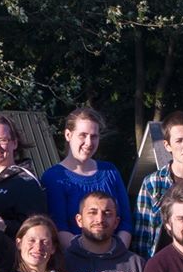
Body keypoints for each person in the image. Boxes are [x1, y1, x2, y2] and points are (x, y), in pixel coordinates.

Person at [40, 106, 132, 249]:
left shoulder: (110, 171)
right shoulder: (54, 177)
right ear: (68, 135)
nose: (89, 143)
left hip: (115, 259)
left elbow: (125, 222)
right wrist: (92, 255)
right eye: (83, 135)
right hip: (75, 260)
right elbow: (59, 228)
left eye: (94, 136)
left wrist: (115, 254)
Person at [62, 191, 145, 272]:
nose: (100, 219)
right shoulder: (63, 263)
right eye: (92, 213)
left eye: (107, 213)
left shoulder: (136, 264)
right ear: (79, 220)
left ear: (116, 222)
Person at [134, 110, 183, 255]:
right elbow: (142, 234)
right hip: (164, 266)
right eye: (179, 140)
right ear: (167, 145)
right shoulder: (152, 183)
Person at [0, 114, 48, 236]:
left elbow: (37, 228)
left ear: (14, 143)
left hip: (8, 252)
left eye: (3, 140)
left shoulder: (26, 183)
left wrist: (4, 226)